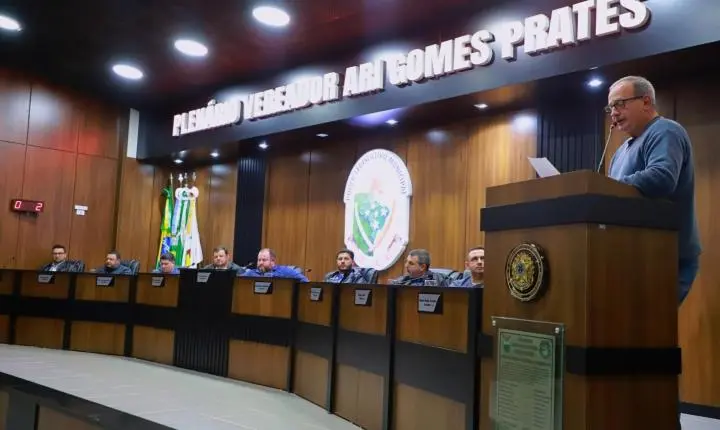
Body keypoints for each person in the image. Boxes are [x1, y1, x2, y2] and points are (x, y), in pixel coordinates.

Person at [606, 76, 701, 305]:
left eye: (620, 104)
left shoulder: (665, 131)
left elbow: (662, 178)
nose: (614, 113)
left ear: (646, 102)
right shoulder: (621, 151)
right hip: (635, 254)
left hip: (665, 253)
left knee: (650, 324)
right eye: (610, 107)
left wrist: (610, 187)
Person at [240, 248, 308, 282]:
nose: (260, 263)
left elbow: (305, 281)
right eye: (259, 260)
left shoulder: (285, 271)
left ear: (272, 261)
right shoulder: (251, 273)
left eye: (264, 260)